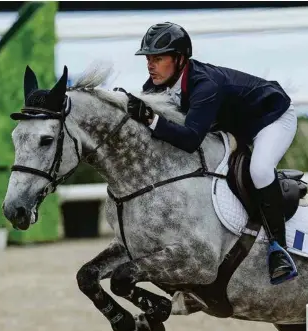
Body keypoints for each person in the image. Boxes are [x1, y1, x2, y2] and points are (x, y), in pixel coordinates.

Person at [119, 21, 298, 285]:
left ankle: (278, 250)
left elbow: (190, 139)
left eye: (158, 58)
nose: (150, 65)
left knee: (259, 170)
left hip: (270, 119)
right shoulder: (157, 84)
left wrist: (151, 119)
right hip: (234, 125)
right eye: (148, 58)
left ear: (180, 59)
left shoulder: (206, 85)